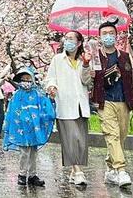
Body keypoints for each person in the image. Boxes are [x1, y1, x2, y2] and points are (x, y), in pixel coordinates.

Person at [92, 21, 133, 187]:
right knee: (112, 135)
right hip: (105, 102)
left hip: (124, 101)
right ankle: (121, 170)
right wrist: (88, 67)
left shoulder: (125, 56)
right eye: (105, 33)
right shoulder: (95, 57)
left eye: (111, 33)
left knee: (121, 137)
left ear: (116, 36)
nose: (108, 36)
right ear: (99, 37)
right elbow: (88, 80)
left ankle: (110, 168)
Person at [45, 30, 93, 187]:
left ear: (79, 43)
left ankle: (73, 172)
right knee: (70, 139)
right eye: (66, 38)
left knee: (80, 140)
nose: (68, 41)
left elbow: (87, 82)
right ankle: (78, 171)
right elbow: (51, 77)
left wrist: (86, 65)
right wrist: (52, 87)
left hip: (81, 104)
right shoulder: (58, 59)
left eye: (72, 39)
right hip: (65, 104)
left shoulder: (83, 59)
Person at [4, 66, 55, 188]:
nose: (26, 82)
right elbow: (11, 112)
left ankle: (32, 175)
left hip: (34, 129)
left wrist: (49, 112)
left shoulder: (38, 94)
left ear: (32, 80)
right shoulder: (17, 95)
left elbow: (45, 107)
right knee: (24, 152)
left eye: (28, 79)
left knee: (33, 152)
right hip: (21, 129)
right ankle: (22, 174)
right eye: (23, 79)